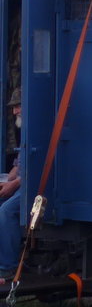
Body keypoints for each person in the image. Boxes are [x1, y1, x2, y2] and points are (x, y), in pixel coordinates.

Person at [0, 89, 23, 282]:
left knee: (7, 211)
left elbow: (41, 167)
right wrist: (7, 180)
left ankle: (8, 266)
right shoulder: (27, 128)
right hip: (20, 183)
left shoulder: (41, 128)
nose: (15, 111)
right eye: (14, 107)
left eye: (18, 106)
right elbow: (19, 163)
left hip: (35, 187)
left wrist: (14, 184)